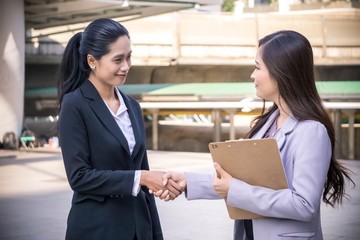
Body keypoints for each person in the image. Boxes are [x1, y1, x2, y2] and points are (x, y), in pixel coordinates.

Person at [158, 30, 354, 240]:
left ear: (281, 72)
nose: (252, 75)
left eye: (257, 67)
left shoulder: (311, 131)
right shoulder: (267, 123)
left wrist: (234, 189)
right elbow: (244, 181)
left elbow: (304, 205)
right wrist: (187, 181)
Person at [57, 18, 179, 240]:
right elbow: (79, 177)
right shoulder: (75, 104)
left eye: (129, 56)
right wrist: (140, 178)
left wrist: (155, 232)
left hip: (139, 229)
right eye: (118, 59)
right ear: (92, 61)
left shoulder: (132, 106)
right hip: (97, 229)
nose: (126, 66)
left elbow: (142, 170)